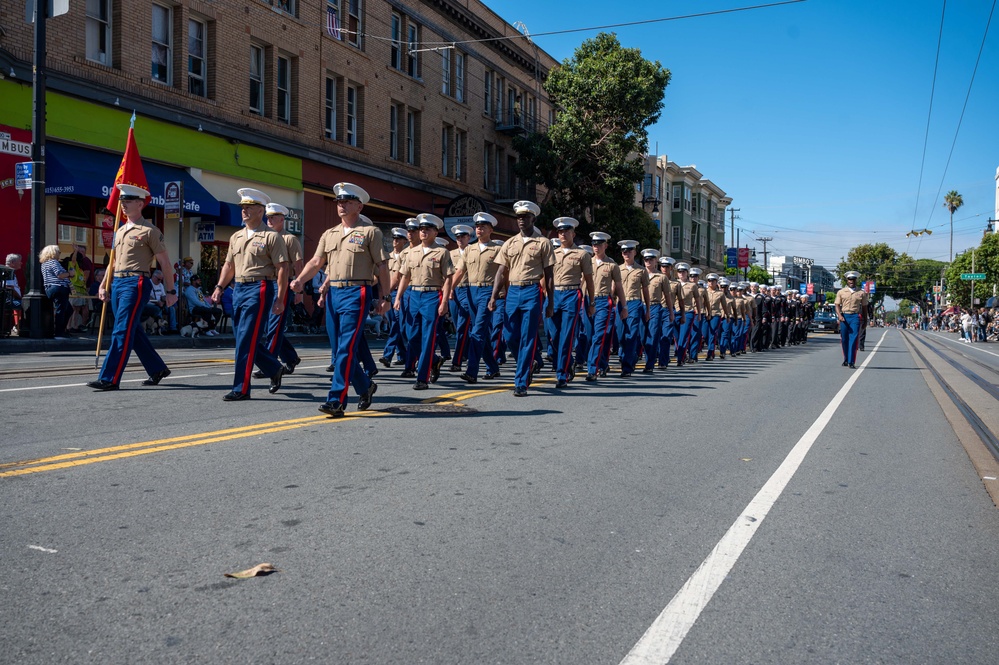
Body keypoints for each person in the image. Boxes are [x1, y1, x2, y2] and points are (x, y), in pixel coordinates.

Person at [290, 183, 390, 417]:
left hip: (357, 292)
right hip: (334, 293)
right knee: (339, 349)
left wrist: (384, 297)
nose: (341, 205)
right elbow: (316, 263)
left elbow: (382, 266)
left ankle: (336, 399)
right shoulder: (330, 234)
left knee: (346, 347)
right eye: (339, 202)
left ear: (359, 206)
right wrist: (300, 280)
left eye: (347, 202)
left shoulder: (370, 232)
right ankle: (365, 385)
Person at [86, 184, 179, 389]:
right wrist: (103, 285)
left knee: (122, 330)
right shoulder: (119, 231)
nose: (123, 205)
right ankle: (157, 368)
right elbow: (113, 262)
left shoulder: (150, 231)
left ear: (140, 203)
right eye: (122, 201)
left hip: (135, 282)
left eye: (128, 201)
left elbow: (164, 262)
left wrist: (171, 291)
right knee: (132, 330)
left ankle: (109, 378)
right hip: (118, 282)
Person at [208, 187, 289, 400]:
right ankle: (273, 368)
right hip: (238, 289)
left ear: (261, 210)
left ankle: (241, 388)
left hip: (260, 288)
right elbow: (229, 265)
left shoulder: (271, 237)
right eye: (242, 207)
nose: (244, 210)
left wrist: (280, 298)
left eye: (249, 207)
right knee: (243, 338)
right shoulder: (236, 236)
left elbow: (282, 268)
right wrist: (219, 287)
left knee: (245, 339)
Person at [489, 200, 555, 396]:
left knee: (528, 337)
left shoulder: (543, 242)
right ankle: (528, 363)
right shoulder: (510, 243)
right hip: (513, 293)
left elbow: (549, 274)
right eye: (518, 217)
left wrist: (550, 302)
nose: (521, 220)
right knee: (509, 336)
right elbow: (501, 271)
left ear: (533, 218)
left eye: (525, 217)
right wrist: (493, 297)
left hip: (532, 291)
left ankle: (521, 382)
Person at [394, 214, 454, 389]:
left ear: (435, 232)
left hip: (431, 296)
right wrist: (398, 297)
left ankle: (422, 378)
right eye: (421, 229)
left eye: (427, 229)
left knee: (428, 338)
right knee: (411, 336)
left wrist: (444, 303)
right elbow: (405, 277)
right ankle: (434, 361)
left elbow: (449, 278)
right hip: (414, 295)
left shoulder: (442, 252)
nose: (423, 232)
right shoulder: (411, 252)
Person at [451, 212, 503, 384]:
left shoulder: (497, 249)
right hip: (470, 292)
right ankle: (493, 367)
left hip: (488, 292)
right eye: (477, 226)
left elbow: (504, 274)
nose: (479, 229)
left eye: (483, 226)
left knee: (478, 331)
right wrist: (450, 289)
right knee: (481, 333)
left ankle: (471, 371)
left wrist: (501, 294)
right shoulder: (469, 249)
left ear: (491, 229)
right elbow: (459, 271)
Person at [254, 203, 303, 376]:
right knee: (269, 327)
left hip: (282, 284)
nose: (269, 220)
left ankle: (270, 364)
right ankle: (290, 357)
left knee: (274, 326)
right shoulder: (265, 237)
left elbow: (298, 265)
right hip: (267, 284)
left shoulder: (289, 239)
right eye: (268, 217)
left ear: (282, 219)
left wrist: (299, 290)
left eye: (273, 217)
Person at [548, 217, 594, 387]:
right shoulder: (552, 253)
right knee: (554, 336)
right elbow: (546, 276)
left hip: (572, 294)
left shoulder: (581, 254)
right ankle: (569, 361)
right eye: (560, 231)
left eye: (567, 231)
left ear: (573, 234)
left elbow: (589, 280)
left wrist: (591, 302)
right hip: (554, 295)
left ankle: (562, 374)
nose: (563, 234)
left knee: (567, 336)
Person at [585, 232, 627, 381]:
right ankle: (602, 363)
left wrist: (624, 307)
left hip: (603, 302)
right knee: (590, 336)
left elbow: (619, 287)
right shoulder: (586, 261)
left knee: (599, 336)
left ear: (605, 245)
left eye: (599, 244)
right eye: (594, 244)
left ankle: (592, 369)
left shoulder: (612, 265)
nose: (596, 247)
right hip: (588, 301)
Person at [617, 240, 651, 377]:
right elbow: (614, 289)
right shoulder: (617, 269)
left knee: (630, 335)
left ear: (634, 252)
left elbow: (645, 290)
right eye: (624, 251)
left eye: (629, 251)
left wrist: (647, 309)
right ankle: (630, 355)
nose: (627, 253)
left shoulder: (641, 271)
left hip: (634, 303)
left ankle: (627, 367)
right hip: (620, 303)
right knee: (620, 336)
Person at [379, 227, 410, 367]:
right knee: (394, 324)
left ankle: (388, 355)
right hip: (389, 294)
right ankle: (403, 355)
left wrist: (385, 292)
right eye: (394, 239)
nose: (395, 241)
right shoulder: (388, 256)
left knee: (398, 325)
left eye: (398, 239)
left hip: (402, 293)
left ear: (405, 241)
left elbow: (397, 278)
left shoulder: (407, 255)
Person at [448, 224, 474, 372]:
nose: (460, 239)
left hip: (468, 290)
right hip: (454, 291)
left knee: (464, 325)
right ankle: (464, 352)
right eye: (457, 237)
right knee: (458, 325)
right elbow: (448, 274)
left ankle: (459, 357)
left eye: (463, 236)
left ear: (468, 238)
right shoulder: (451, 254)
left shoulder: (472, 252)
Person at [834, 270, 868, 367]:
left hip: (855, 317)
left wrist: (865, 320)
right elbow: (837, 305)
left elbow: (864, 307)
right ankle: (846, 358)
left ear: (856, 280)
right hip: (844, 316)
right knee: (844, 339)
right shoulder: (841, 292)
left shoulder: (861, 293)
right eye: (849, 279)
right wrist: (839, 316)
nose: (851, 281)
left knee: (853, 339)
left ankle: (851, 361)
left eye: (853, 279)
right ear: (847, 280)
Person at [39, 245, 73, 340]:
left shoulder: (44, 264)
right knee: (62, 310)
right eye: (58, 252)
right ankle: (59, 333)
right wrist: (70, 274)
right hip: (59, 287)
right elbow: (60, 275)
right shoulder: (54, 262)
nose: (59, 253)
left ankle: (61, 330)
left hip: (50, 288)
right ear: (53, 253)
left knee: (67, 309)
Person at [145, 268, 178, 332]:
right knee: (158, 310)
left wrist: (166, 299)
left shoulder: (160, 285)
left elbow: (163, 295)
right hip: (150, 304)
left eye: (161, 279)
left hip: (160, 303)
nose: (160, 281)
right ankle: (161, 328)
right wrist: (157, 302)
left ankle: (173, 328)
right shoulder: (148, 283)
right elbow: (147, 297)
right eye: (158, 279)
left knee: (171, 308)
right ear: (153, 276)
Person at [4, 253, 23, 336]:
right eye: (19, 261)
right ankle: (21, 327)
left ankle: (18, 326)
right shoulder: (8, 272)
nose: (21, 263)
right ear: (12, 262)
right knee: (28, 305)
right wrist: (20, 297)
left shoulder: (10, 272)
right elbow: (10, 287)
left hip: (11, 299)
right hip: (9, 300)